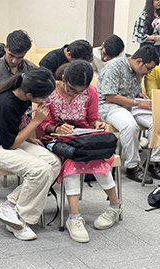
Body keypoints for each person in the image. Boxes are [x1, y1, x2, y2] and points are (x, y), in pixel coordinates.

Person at [0, 68, 61, 241]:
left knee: (54, 163)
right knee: (40, 170)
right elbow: (10, 144)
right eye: (43, 97)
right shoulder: (6, 103)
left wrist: (30, 136)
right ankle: (20, 219)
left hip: (9, 141)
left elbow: (22, 123)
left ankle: (10, 205)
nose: (46, 100)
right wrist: (36, 122)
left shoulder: (22, 95)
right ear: (29, 95)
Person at [39, 61, 122, 243]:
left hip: (83, 137)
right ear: (63, 79)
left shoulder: (90, 91)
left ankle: (115, 206)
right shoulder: (49, 92)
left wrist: (97, 124)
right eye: (72, 90)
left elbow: (92, 118)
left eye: (80, 92)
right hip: (58, 139)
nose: (76, 95)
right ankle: (74, 217)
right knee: (72, 160)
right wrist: (56, 128)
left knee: (97, 158)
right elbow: (42, 124)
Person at [98, 46, 160, 184]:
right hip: (109, 106)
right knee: (130, 125)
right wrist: (138, 103)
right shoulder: (114, 67)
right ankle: (132, 167)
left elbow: (132, 90)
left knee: (158, 120)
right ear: (139, 61)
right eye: (149, 68)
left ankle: (153, 162)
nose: (149, 72)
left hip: (131, 103)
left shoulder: (137, 69)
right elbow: (110, 96)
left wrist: (139, 95)